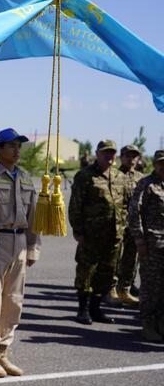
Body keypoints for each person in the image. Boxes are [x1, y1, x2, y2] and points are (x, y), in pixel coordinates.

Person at [0, 129, 39, 377]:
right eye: (11, 146)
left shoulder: (25, 178)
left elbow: (34, 217)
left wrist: (33, 247)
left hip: (20, 242)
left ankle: (4, 350)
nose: (16, 150)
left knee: (14, 301)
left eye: (18, 146)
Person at [69, 139, 127, 325]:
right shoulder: (85, 176)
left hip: (114, 235)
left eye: (112, 152)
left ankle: (96, 308)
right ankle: (83, 309)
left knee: (107, 272)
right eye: (105, 152)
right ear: (97, 153)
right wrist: (78, 229)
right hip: (91, 235)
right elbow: (75, 205)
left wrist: (123, 227)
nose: (109, 156)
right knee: (87, 271)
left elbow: (125, 204)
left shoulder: (119, 177)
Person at [126, 150, 164, 342]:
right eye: (160, 163)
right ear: (154, 164)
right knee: (150, 286)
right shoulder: (146, 185)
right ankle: (148, 324)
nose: (163, 166)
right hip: (152, 245)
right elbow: (134, 214)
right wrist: (140, 241)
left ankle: (160, 323)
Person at [112, 144, 144, 307]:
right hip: (118, 223)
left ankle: (126, 287)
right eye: (128, 156)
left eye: (134, 156)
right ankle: (111, 288)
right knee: (116, 257)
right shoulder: (115, 175)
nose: (131, 159)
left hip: (134, 225)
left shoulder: (141, 178)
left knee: (131, 258)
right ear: (121, 157)